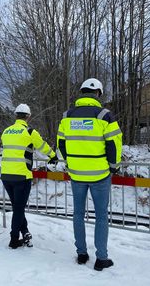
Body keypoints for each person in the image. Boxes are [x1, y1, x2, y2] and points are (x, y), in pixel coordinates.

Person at [57, 78, 122, 271]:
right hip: (100, 174)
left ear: (81, 93)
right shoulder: (105, 115)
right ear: (98, 94)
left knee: (78, 214)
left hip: (77, 174)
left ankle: (81, 254)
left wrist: (69, 162)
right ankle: (101, 258)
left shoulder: (66, 116)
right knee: (101, 216)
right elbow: (114, 144)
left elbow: (61, 144)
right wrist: (113, 166)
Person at [1, 104, 58, 249]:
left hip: (6, 175)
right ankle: (14, 239)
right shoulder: (29, 131)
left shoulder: (6, 131)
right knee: (18, 209)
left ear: (16, 115)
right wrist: (52, 156)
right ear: (28, 116)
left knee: (17, 207)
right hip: (22, 176)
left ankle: (25, 231)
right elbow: (42, 145)